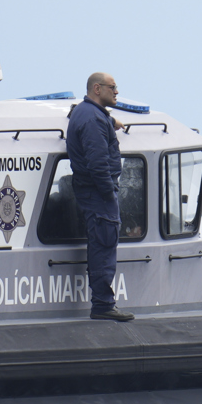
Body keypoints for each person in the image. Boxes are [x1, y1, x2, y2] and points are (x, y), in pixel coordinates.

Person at [67, 72, 135, 321]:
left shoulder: (87, 112)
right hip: (98, 192)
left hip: (92, 191)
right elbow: (97, 163)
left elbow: (83, 112)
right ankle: (103, 305)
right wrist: (109, 192)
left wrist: (111, 119)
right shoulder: (93, 120)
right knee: (104, 245)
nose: (117, 92)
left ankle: (103, 303)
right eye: (113, 87)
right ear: (97, 88)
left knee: (101, 243)